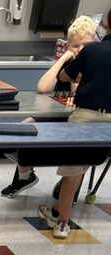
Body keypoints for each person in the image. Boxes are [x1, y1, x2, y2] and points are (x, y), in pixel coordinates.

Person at [1, 15, 98, 199]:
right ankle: (24, 176)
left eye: (85, 45)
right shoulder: (70, 62)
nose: (80, 50)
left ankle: (70, 185)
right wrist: (64, 59)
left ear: (94, 41)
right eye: (75, 46)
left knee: (82, 147)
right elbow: (43, 87)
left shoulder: (96, 64)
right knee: (22, 129)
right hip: (57, 115)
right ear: (68, 45)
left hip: (80, 119)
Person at [37, 10, 111, 239]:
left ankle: (62, 223)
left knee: (73, 173)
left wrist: (78, 71)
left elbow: (65, 77)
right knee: (86, 165)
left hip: (85, 116)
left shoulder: (92, 51)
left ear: (106, 23)